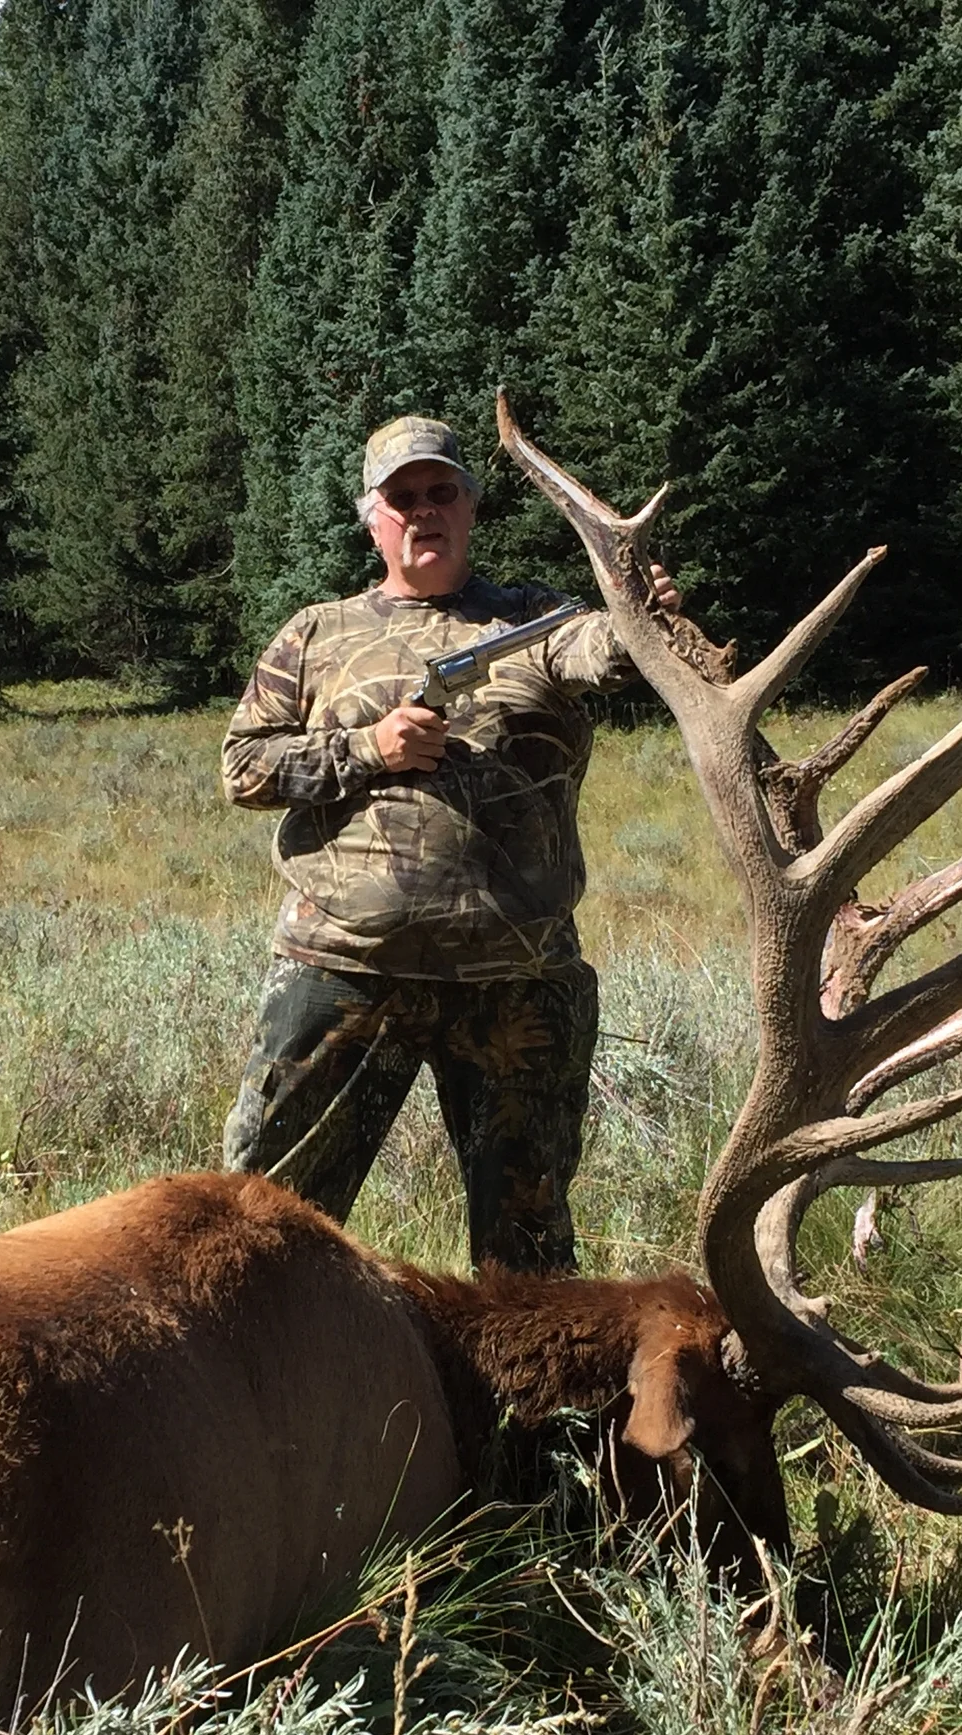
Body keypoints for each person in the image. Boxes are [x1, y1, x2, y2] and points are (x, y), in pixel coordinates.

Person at [219, 414, 683, 1272]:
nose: (424, 512)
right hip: (345, 967)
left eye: (442, 493)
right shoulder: (316, 633)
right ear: (373, 520)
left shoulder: (540, 621)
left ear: (471, 506)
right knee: (264, 1229)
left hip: (516, 981)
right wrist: (366, 749)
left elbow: (604, 654)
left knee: (528, 1255)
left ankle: (530, 1410)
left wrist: (636, 615)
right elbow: (243, 767)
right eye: (403, 499)